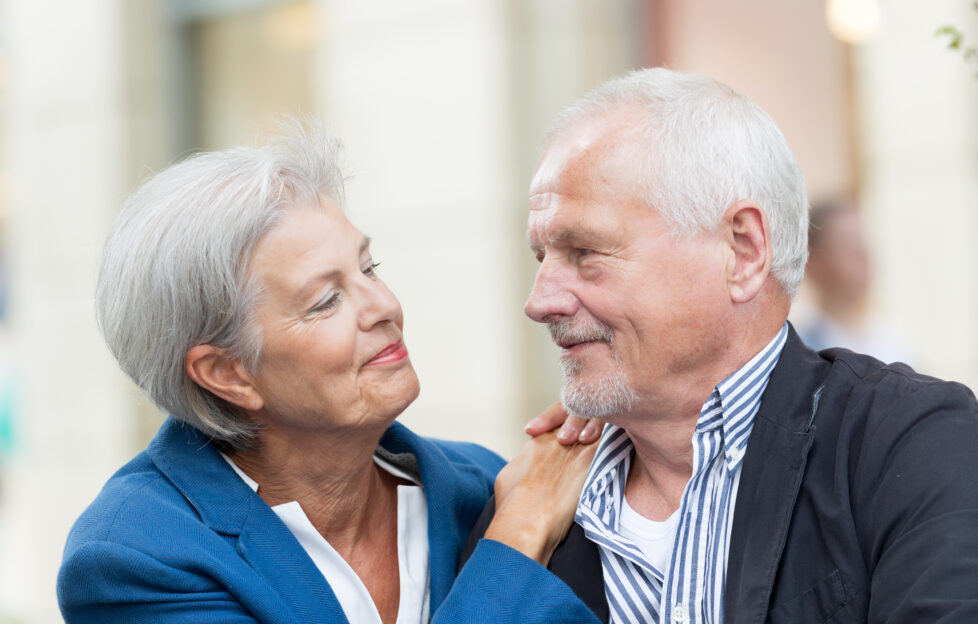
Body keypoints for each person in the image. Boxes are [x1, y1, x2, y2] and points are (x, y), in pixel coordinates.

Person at [464, 68, 978, 623]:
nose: (540, 302)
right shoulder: (528, 509)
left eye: (584, 251)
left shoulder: (907, 444)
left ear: (743, 251)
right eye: (542, 258)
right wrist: (514, 541)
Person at [57, 125, 602, 623]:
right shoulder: (133, 556)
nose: (384, 306)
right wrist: (513, 542)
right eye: (325, 301)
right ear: (228, 373)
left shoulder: (485, 484)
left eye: (369, 268)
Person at [795, 198, 914, 364]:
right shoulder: (804, 355)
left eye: (862, 242)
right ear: (813, 264)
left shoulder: (895, 348)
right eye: (847, 244)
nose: (862, 255)